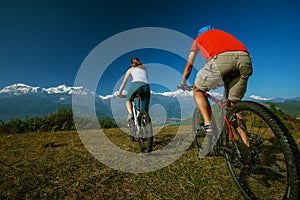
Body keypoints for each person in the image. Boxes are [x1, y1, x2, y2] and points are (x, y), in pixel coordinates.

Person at [181, 25, 253, 158]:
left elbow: (189, 65)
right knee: (232, 107)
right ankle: (247, 146)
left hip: (222, 60)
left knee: (198, 89)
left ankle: (208, 126)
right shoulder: (222, 33)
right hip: (245, 59)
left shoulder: (198, 39)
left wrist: (183, 82)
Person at [118, 57, 151, 122]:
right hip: (146, 86)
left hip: (136, 85)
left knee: (128, 100)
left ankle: (130, 114)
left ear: (131, 63)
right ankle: (146, 120)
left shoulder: (130, 70)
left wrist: (119, 93)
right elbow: (146, 78)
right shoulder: (144, 68)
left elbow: (124, 82)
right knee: (145, 110)